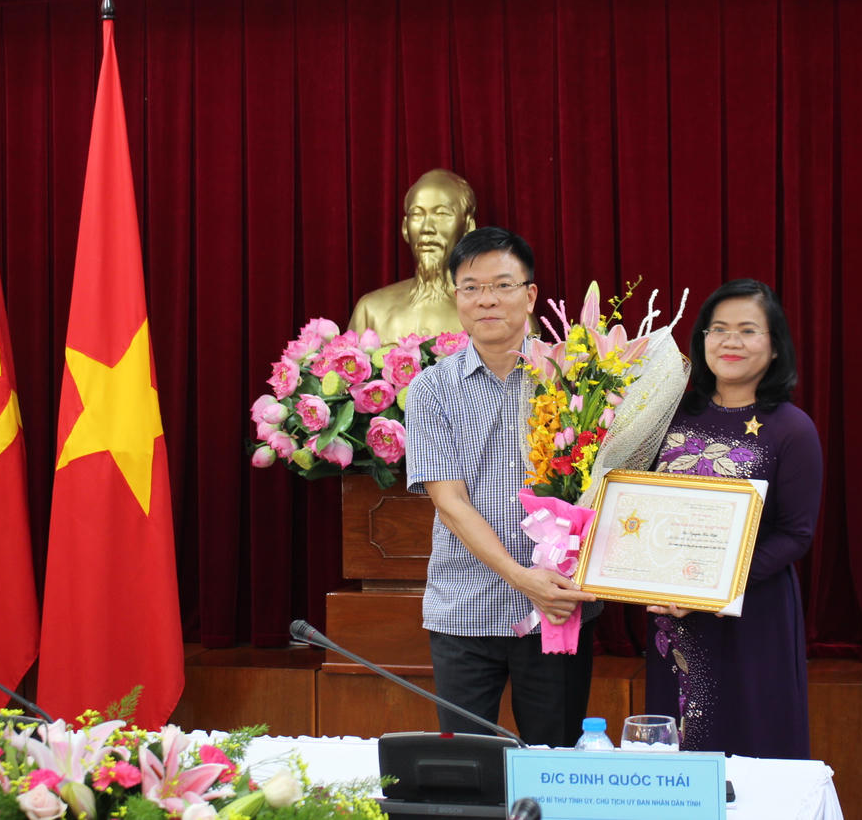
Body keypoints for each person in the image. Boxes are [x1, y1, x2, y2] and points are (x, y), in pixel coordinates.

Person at [405, 226, 601, 747]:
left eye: (502, 285)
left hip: (554, 610)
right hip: (464, 607)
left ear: (530, 293)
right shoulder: (430, 389)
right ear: (456, 297)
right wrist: (521, 576)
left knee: (555, 762)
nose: (486, 299)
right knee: (467, 771)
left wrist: (548, 583)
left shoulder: (578, 379)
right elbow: (450, 503)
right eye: (471, 287)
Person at [645, 278, 822, 759]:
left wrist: (714, 584)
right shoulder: (668, 415)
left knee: (752, 752)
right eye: (718, 329)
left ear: (774, 345)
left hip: (750, 617)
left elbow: (796, 535)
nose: (730, 341)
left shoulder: (792, 429)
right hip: (674, 618)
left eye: (748, 330)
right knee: (676, 751)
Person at [348, 169, 476, 343]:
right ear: (405, 228)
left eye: (441, 214)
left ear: (468, 227)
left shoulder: (495, 311)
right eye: (417, 214)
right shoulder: (371, 311)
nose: (427, 228)